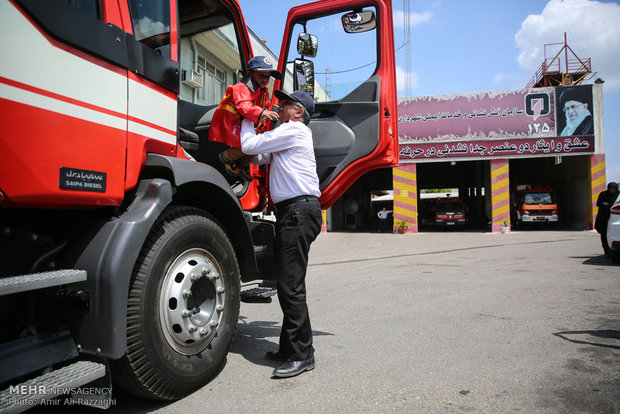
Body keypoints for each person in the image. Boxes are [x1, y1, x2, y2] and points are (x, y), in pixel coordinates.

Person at [240, 89, 321, 378]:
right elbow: (259, 156)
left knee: (291, 286)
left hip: (298, 212)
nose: (278, 107)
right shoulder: (287, 135)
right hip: (295, 213)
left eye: (284, 104)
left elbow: (249, 145)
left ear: (298, 112)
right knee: (289, 283)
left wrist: (248, 114)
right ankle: (289, 349)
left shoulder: (294, 130)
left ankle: (303, 355)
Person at [209, 56, 281, 181]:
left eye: (268, 76)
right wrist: (263, 113)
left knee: (259, 145)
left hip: (246, 122)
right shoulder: (242, 87)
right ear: (250, 74)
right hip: (232, 122)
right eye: (261, 75)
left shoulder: (262, 90)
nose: (265, 79)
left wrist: (270, 112)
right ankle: (227, 157)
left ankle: (243, 164)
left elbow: (265, 105)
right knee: (248, 145)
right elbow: (244, 106)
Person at [594, 182, 618, 257]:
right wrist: (610, 205)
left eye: (614, 189)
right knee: (603, 235)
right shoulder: (603, 194)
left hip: (614, 218)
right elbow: (599, 204)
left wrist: (608, 204)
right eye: (611, 189)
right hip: (603, 218)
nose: (612, 191)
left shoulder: (618, 195)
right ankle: (606, 252)